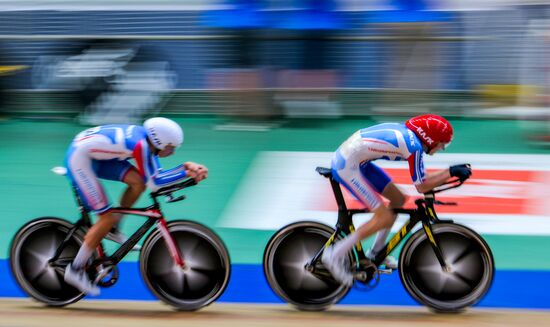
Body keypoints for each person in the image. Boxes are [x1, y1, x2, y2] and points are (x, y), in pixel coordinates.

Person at [321, 114, 471, 286]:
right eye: (441, 145)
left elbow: (423, 181)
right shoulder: (413, 146)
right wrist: (450, 172)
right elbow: (422, 186)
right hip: (347, 166)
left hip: (358, 162)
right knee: (383, 217)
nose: (440, 149)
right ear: (430, 139)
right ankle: (333, 255)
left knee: (399, 199)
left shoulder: (412, 138)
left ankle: (376, 253)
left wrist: (449, 172)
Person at [63, 117, 208, 295]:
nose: (172, 152)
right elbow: (156, 182)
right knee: (105, 217)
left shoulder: (148, 142)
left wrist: (187, 167)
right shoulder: (141, 145)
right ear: (159, 141)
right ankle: (75, 269)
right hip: (80, 159)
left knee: (138, 183)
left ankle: (113, 229)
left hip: (94, 154)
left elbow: (154, 175)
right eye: (170, 148)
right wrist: (186, 170)